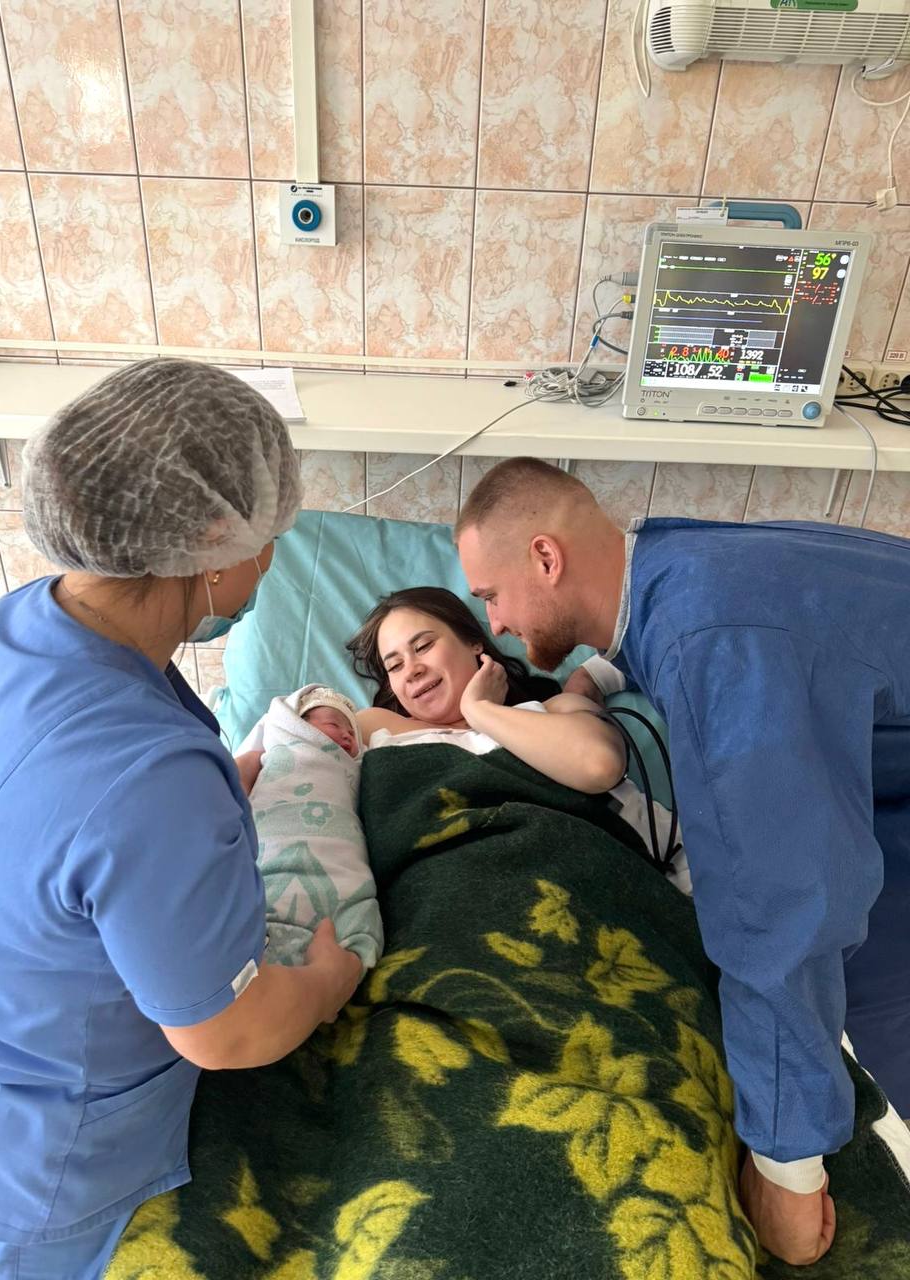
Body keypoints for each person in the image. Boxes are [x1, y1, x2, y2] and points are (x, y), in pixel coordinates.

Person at [0, 360, 362, 1279]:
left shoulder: (18, 627)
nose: (271, 558)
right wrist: (328, 983)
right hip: (45, 1176)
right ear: (212, 546)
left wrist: (211, 805)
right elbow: (227, 1032)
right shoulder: (150, 778)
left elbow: (58, 832)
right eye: (270, 536)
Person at [454, 455, 910, 1267]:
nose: (495, 624)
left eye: (491, 595)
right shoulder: (684, 565)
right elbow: (691, 630)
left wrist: (787, 1169)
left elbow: (778, 912)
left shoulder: (713, 650)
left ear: (546, 558)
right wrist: (592, 678)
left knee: (813, 939)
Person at [346, 588, 685, 873]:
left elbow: (600, 765)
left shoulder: (556, 711)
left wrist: (478, 710)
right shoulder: (375, 730)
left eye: (423, 646)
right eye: (394, 665)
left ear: (473, 642)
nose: (412, 670)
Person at [239, 685, 383, 971]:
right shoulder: (275, 754)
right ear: (297, 726)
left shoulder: (359, 769)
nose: (346, 735)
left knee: (356, 905)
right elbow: (232, 789)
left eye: (352, 732)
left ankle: (348, 958)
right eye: (333, 725)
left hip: (340, 861)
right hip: (273, 851)